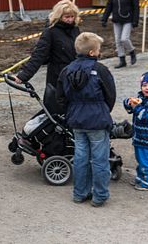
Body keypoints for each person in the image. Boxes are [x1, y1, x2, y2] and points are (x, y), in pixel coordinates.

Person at [56, 32, 116, 207]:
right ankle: (100, 195)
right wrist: (104, 111)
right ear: (92, 52)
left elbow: (60, 97)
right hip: (97, 119)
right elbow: (110, 95)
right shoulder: (101, 70)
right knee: (99, 159)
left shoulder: (67, 70)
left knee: (80, 156)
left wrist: (70, 112)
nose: (99, 52)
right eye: (98, 49)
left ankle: (80, 193)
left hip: (76, 119)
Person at [12, 0, 81, 97]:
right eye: (67, 17)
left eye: (72, 17)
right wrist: (24, 75)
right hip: (58, 76)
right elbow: (39, 55)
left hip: (75, 75)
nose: (70, 20)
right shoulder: (50, 32)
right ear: (59, 16)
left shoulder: (75, 29)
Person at [101, 0, 140, 68]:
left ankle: (132, 51)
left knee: (124, 39)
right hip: (116, 20)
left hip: (128, 19)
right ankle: (122, 60)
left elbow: (136, 7)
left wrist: (135, 20)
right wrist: (104, 19)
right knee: (118, 40)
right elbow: (109, 6)